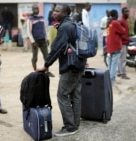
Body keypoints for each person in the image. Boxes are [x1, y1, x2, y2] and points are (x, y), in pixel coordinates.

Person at [37, 4, 86, 137]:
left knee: (62, 95)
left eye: (57, 11)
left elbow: (57, 48)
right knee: (75, 95)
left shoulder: (65, 27)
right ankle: (75, 125)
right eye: (54, 10)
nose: (54, 13)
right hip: (79, 64)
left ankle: (70, 127)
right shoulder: (72, 24)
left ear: (64, 14)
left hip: (70, 67)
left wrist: (47, 64)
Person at [27, 4, 55, 77]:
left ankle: (47, 71)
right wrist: (33, 42)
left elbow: (45, 29)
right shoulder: (30, 19)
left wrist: (47, 38)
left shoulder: (42, 17)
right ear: (32, 10)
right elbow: (29, 32)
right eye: (35, 9)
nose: (36, 10)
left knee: (47, 56)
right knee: (35, 57)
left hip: (43, 40)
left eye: (37, 9)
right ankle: (35, 71)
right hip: (35, 42)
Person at [106, 9, 125, 83]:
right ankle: (112, 79)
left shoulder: (109, 22)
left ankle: (108, 78)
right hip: (116, 46)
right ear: (115, 15)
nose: (118, 16)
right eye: (117, 14)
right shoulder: (115, 23)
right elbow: (123, 31)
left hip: (110, 46)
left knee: (110, 63)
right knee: (114, 63)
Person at [117, 7, 130, 80]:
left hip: (125, 42)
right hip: (122, 42)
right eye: (126, 12)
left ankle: (119, 72)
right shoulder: (121, 20)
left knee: (120, 58)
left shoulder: (125, 20)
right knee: (123, 59)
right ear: (122, 13)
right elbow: (119, 32)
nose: (127, 13)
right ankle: (123, 74)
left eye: (128, 11)